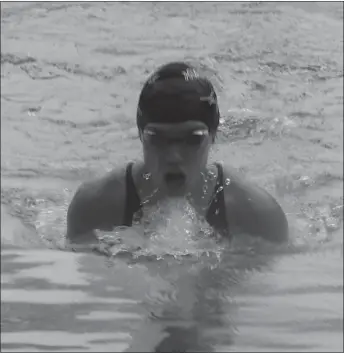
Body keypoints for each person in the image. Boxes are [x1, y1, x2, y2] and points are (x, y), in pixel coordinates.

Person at [66, 61, 288, 246]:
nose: (174, 155)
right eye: (158, 138)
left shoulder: (257, 215)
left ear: (213, 136)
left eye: (192, 139)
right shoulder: (94, 206)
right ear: (141, 136)